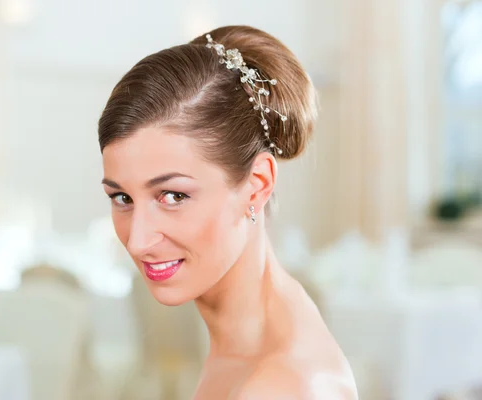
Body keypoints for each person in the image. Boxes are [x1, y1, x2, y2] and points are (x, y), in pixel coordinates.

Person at [98, 25, 357, 399]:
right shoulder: (256, 340)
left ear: (258, 184)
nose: (138, 242)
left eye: (172, 196)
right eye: (122, 198)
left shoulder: (279, 386)